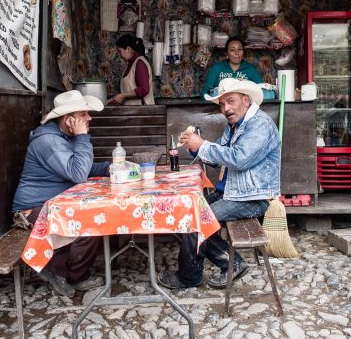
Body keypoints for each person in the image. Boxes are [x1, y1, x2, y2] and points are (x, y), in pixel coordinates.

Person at [158, 78, 281, 289]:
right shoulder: (234, 125)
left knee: (198, 220)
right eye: (223, 104)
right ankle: (231, 262)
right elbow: (219, 159)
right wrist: (195, 146)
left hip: (252, 197)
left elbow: (239, 159)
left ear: (245, 100)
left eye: (231, 102)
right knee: (186, 212)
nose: (226, 108)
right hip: (231, 193)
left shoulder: (260, 125)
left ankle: (189, 277)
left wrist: (203, 145)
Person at [12, 90, 110, 297]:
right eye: (84, 115)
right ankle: (70, 274)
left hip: (54, 205)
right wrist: (82, 137)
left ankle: (59, 267)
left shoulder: (62, 136)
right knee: (92, 220)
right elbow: (78, 173)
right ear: (69, 120)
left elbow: (81, 168)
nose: (89, 118)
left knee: (94, 214)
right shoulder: (48, 141)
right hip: (31, 211)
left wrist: (111, 168)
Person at [107, 34, 154, 105]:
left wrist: (122, 96)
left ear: (128, 49)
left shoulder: (139, 63)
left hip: (142, 112)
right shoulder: (130, 65)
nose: (119, 55)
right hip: (132, 112)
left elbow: (144, 90)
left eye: (120, 51)